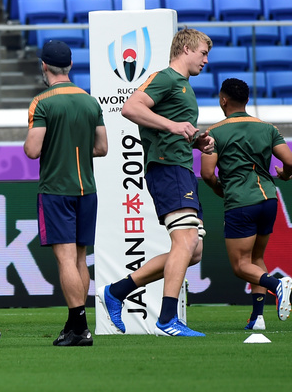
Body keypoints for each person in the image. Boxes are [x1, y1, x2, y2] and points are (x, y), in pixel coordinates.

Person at [103, 29, 216, 337]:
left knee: (194, 250)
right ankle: (167, 319)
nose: (206, 60)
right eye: (203, 53)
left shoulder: (184, 86)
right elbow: (130, 107)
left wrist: (197, 141)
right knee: (186, 242)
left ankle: (117, 291)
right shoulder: (166, 78)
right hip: (168, 168)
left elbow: (173, 130)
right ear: (186, 49)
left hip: (180, 167)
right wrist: (173, 126)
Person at [23, 41, 108, 347]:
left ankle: (80, 328)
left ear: (44, 66)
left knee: (65, 259)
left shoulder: (42, 102)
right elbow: (102, 147)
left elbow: (32, 150)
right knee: (81, 259)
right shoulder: (90, 101)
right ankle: (75, 325)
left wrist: (52, 146)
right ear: (70, 65)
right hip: (86, 189)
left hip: (56, 189)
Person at [199, 78, 292, 330]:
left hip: (240, 202)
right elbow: (290, 162)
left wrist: (220, 189)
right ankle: (257, 318)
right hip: (268, 200)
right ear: (247, 100)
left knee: (241, 266)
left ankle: (277, 284)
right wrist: (285, 175)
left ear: (223, 100)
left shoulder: (215, 132)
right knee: (256, 258)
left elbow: (207, 173)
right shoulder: (268, 128)